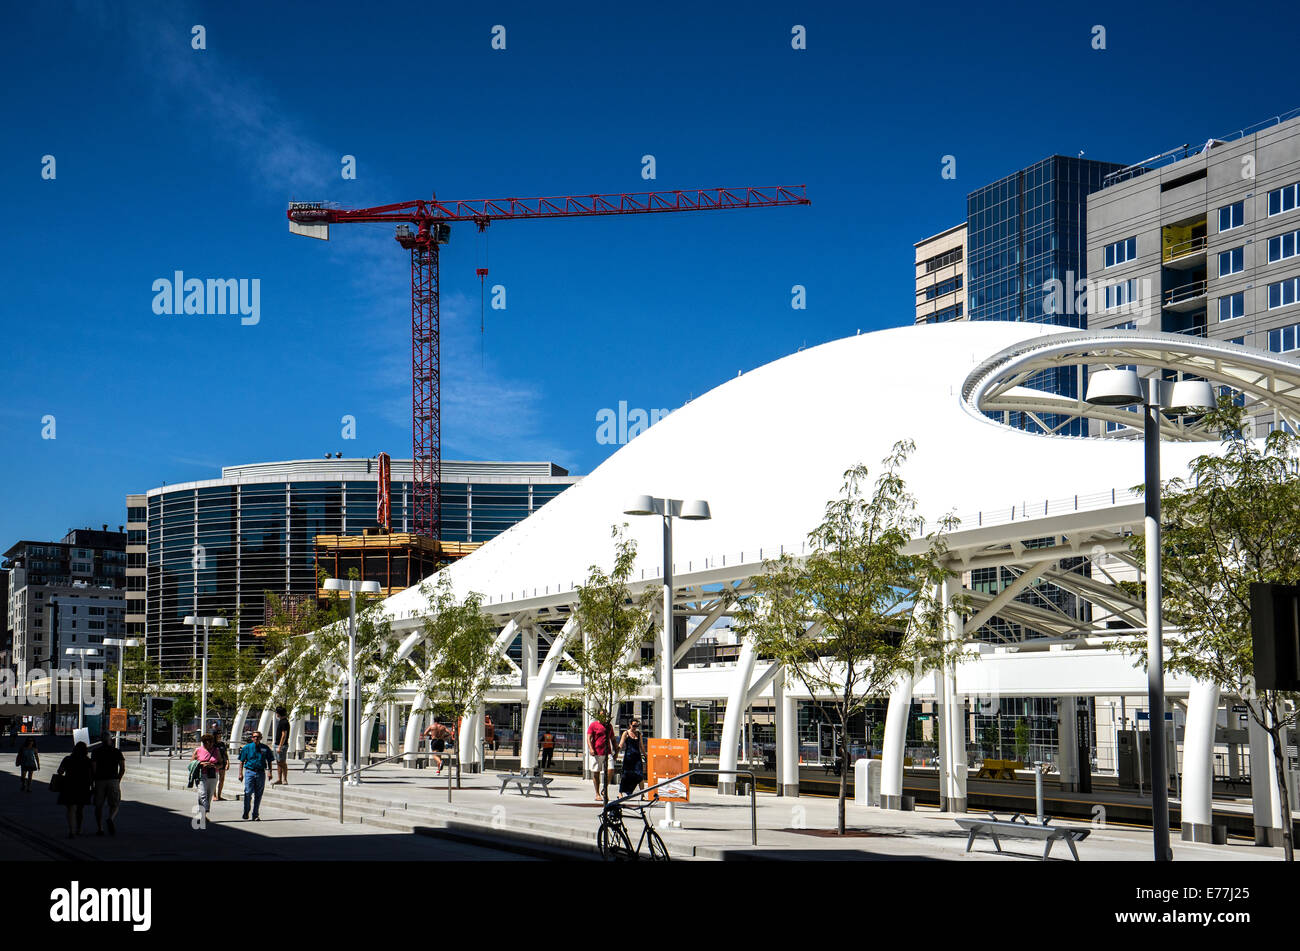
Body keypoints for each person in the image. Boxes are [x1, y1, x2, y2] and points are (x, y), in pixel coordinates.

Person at [56, 742, 94, 838]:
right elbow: (93, 774)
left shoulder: (67, 759)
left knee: (71, 809)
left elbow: (60, 771)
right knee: (80, 809)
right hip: (83, 787)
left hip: (69, 786)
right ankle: (79, 829)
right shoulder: (88, 761)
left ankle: (71, 830)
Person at [91, 736, 126, 835]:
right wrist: (118, 779)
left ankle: (100, 828)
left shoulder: (96, 752)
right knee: (115, 804)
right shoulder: (117, 751)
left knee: (98, 806)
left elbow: (93, 768)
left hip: (99, 781)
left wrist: (93, 782)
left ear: (101, 741)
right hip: (113, 780)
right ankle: (110, 818)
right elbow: (122, 768)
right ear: (110, 741)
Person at [238, 730, 273, 821]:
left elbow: (269, 760)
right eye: (254, 737)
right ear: (252, 738)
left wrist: (270, 772)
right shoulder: (247, 748)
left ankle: (255, 814)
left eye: (258, 737)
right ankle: (246, 811)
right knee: (248, 792)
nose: (256, 738)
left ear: (261, 738)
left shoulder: (265, 748)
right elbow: (241, 761)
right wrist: (240, 773)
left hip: (261, 772)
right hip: (250, 772)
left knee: (258, 794)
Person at [192, 733, 220, 825]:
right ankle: (206, 808)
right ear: (203, 742)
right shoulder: (198, 750)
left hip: (213, 774)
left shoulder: (216, 750)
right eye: (206, 743)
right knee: (202, 794)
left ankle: (203, 814)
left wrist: (214, 765)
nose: (209, 745)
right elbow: (192, 763)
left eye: (210, 743)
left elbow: (221, 764)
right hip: (201, 775)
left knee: (209, 794)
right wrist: (201, 764)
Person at [587, 709, 615, 801]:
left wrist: (616, 749)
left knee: (611, 769)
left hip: (608, 752)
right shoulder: (593, 725)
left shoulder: (609, 726)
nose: (604, 716)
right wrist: (591, 748)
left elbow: (613, 739)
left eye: (605, 715)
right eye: (602, 715)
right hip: (596, 752)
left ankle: (605, 789)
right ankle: (597, 793)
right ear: (598, 715)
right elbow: (588, 738)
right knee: (596, 772)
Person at [618, 718, 646, 796]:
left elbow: (641, 746)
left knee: (640, 775)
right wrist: (616, 753)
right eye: (634, 726)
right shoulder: (626, 733)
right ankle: (620, 793)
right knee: (625, 775)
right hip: (628, 758)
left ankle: (642, 795)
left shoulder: (639, 734)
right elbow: (621, 744)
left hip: (637, 758)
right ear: (630, 725)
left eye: (637, 726)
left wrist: (645, 755)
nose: (635, 727)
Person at [272, 707, 291, 786]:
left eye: (276, 713)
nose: (276, 714)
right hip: (277, 744)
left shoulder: (284, 722)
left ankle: (284, 779)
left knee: (282, 762)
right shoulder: (281, 721)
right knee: (278, 762)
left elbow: (284, 735)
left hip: (281, 745)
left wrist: (280, 746)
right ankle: (279, 779)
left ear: (279, 713)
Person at [212, 729, 231, 800]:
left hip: (222, 763)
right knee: (214, 779)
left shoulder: (222, 744)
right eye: (218, 734)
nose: (220, 735)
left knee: (222, 779)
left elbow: (225, 754)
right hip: (214, 763)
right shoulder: (212, 744)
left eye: (220, 734)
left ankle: (219, 795)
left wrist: (228, 763)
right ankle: (214, 795)